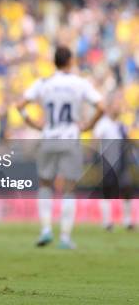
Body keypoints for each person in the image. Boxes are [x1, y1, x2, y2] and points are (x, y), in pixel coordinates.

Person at [17, 45, 104, 249]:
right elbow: (101, 107)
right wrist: (88, 125)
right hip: (70, 138)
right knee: (69, 188)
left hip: (48, 137)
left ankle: (46, 229)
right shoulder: (79, 83)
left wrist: (33, 123)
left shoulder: (44, 83)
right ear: (71, 61)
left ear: (54, 62)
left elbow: (20, 106)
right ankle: (65, 237)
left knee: (45, 184)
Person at [94, 93, 134, 231]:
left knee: (127, 188)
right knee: (108, 191)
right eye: (116, 105)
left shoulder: (121, 124)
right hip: (109, 160)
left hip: (122, 159)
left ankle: (127, 221)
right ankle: (107, 221)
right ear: (110, 107)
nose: (118, 108)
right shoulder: (103, 124)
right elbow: (95, 141)